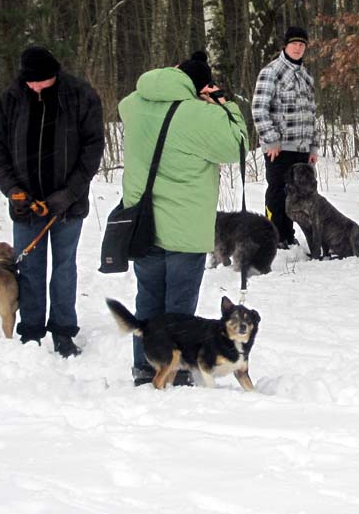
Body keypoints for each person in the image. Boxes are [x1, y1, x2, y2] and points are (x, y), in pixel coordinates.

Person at [118, 51, 248, 386]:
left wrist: (171, 79)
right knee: (178, 308)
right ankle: (175, 374)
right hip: (185, 227)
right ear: (202, 87)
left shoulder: (135, 103)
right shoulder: (199, 115)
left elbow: (128, 103)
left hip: (142, 225)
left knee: (147, 299)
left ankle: (144, 367)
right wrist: (225, 105)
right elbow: (238, 146)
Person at [0, 45, 104, 357]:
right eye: (31, 82)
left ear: (54, 74)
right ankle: (31, 331)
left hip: (68, 204)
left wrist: (68, 194)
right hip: (25, 205)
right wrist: (12, 189)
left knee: (64, 269)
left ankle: (63, 330)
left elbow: (93, 148)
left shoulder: (80, 95)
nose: (36, 87)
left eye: (41, 81)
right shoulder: (11, 98)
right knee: (29, 269)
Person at [251, 26, 320, 249]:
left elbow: (312, 114)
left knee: (297, 194)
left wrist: (313, 146)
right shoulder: (271, 72)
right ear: (285, 46)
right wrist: (271, 139)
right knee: (277, 192)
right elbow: (259, 108)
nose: (298, 48)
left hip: (301, 147)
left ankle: (289, 236)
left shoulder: (306, 77)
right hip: (279, 148)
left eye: (302, 45)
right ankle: (274, 237)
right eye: (294, 44)